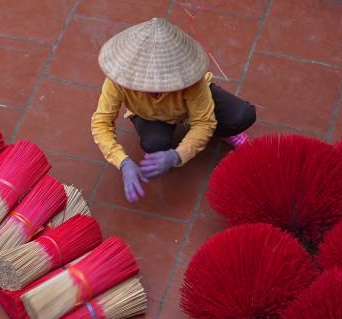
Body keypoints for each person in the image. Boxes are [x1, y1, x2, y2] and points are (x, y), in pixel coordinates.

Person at [91, 18, 256, 203]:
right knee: (154, 145)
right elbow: (101, 122)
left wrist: (178, 155)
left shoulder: (193, 79)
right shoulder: (117, 81)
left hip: (190, 108)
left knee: (242, 116)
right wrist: (123, 162)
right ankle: (167, 147)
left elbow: (203, 122)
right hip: (148, 116)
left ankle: (222, 131)